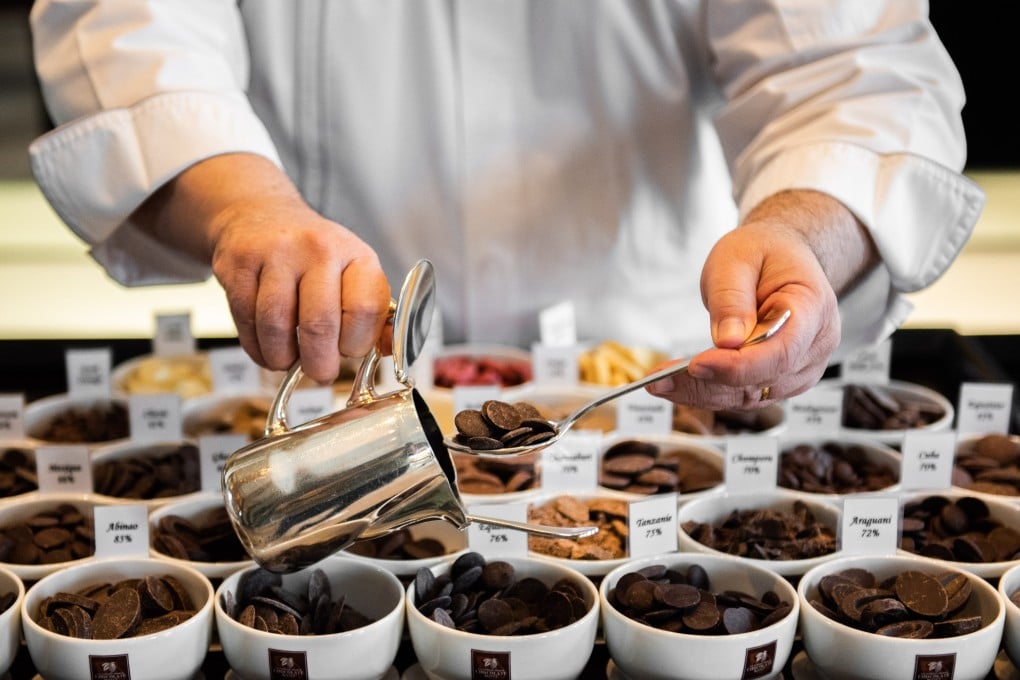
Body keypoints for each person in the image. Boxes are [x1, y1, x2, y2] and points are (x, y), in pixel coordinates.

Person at [27, 1, 983, 410]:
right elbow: (131, 27)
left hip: (658, 376)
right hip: (331, 385)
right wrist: (243, 204)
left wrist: (800, 232)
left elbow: (848, 65)